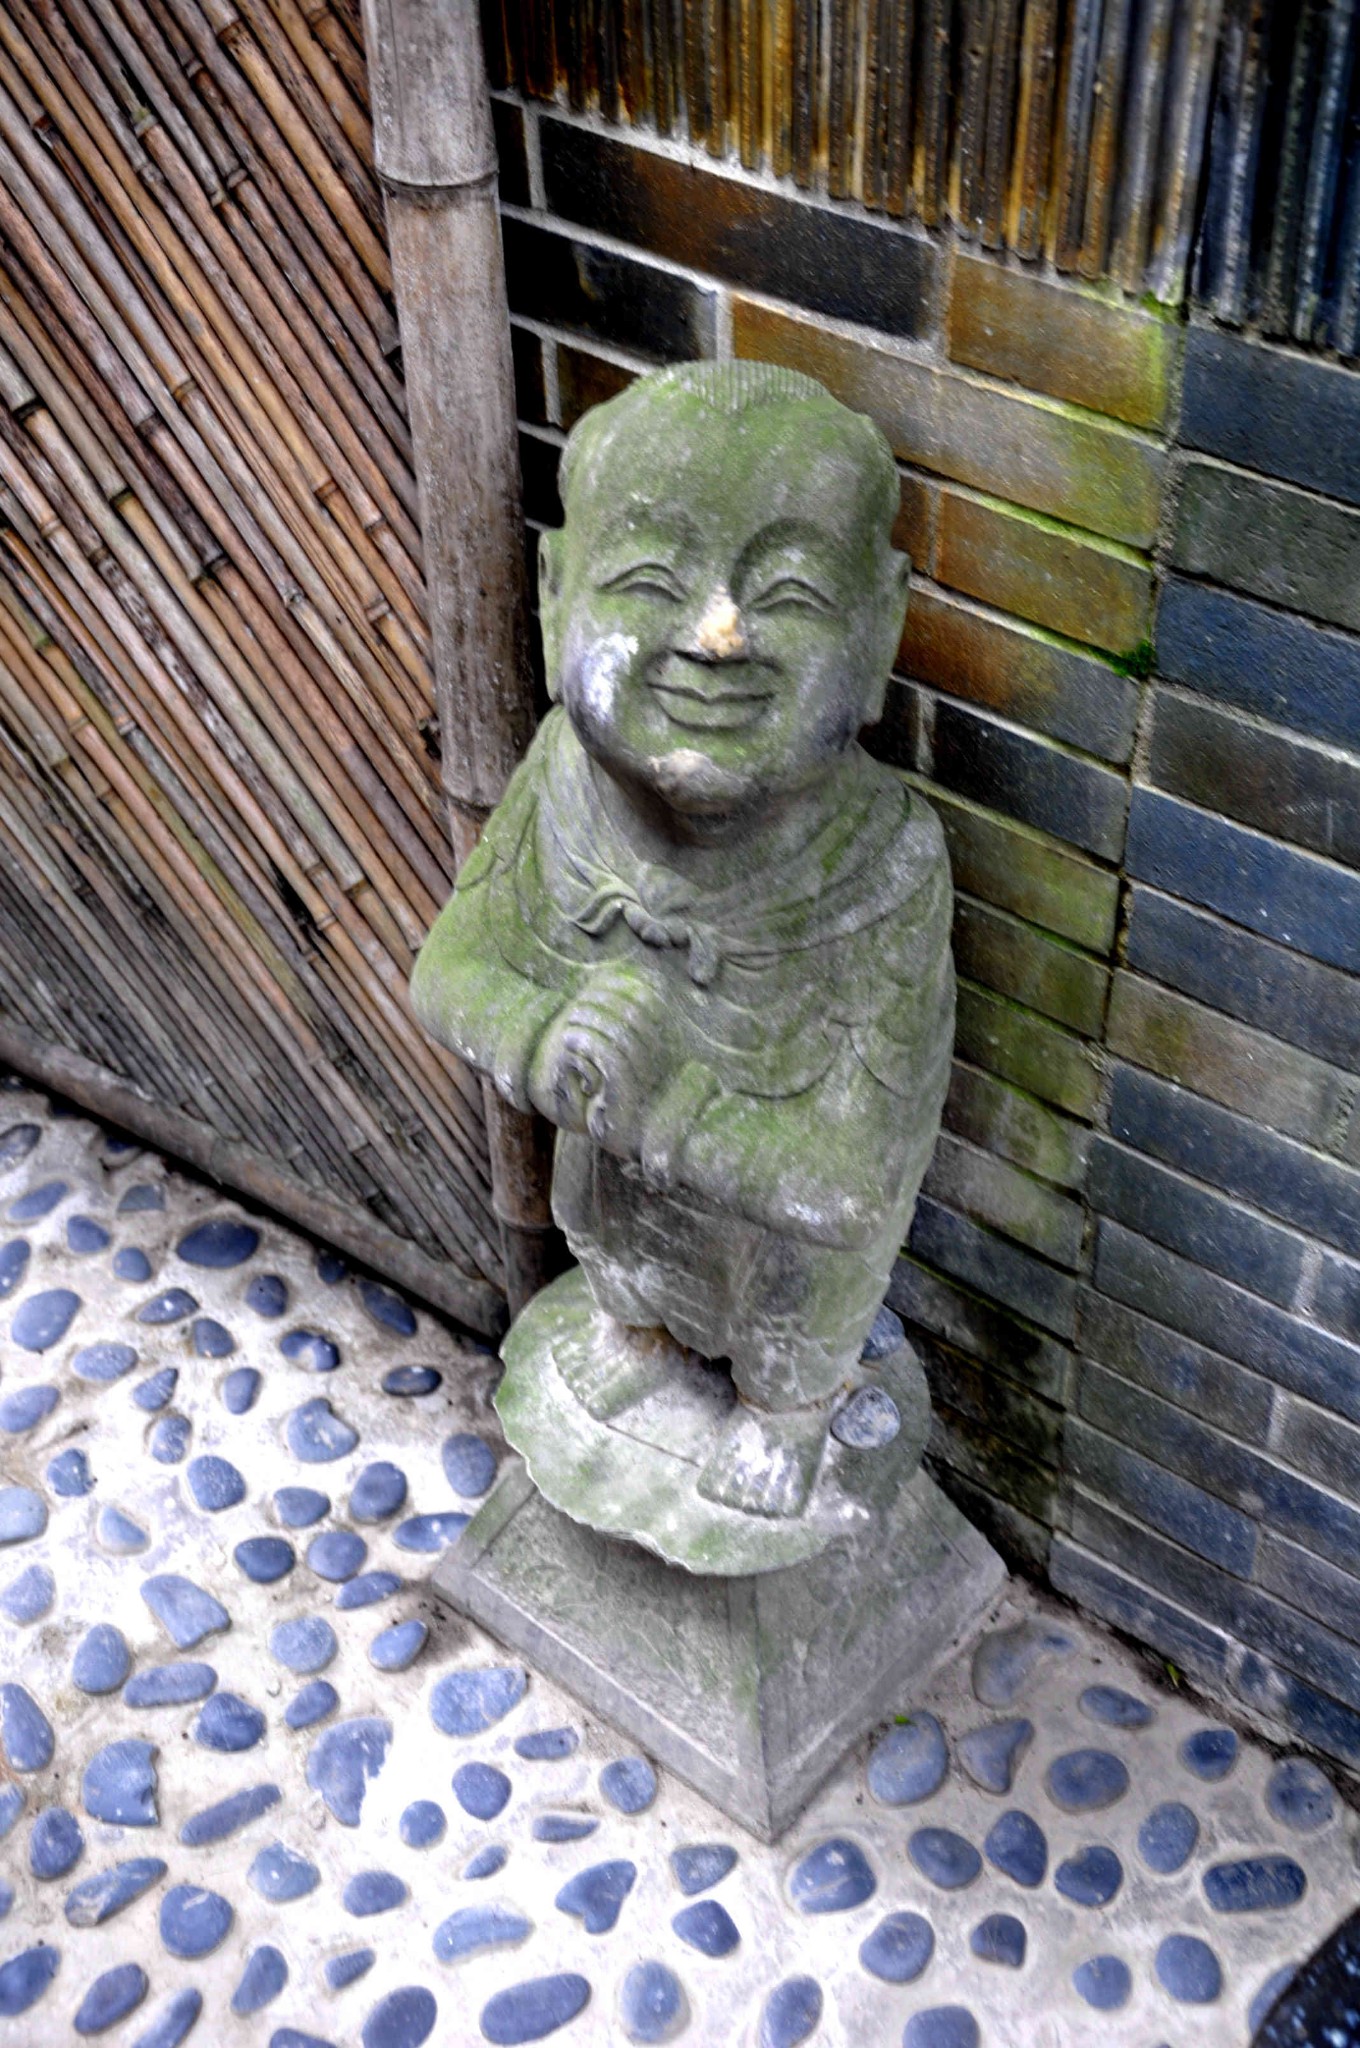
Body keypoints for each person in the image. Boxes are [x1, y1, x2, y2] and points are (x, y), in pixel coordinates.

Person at [411, 359, 954, 1521]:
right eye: (651, 580)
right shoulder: (561, 778)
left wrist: (668, 1104)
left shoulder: (882, 864)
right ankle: (636, 1326)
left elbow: (854, 1184)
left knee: (800, 1292)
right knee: (599, 1215)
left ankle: (785, 1411)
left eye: (791, 595)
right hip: (621, 1185)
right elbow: (447, 972)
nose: (718, 633)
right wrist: (544, 1038)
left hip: (781, 1237)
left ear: (880, 627)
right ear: (556, 596)